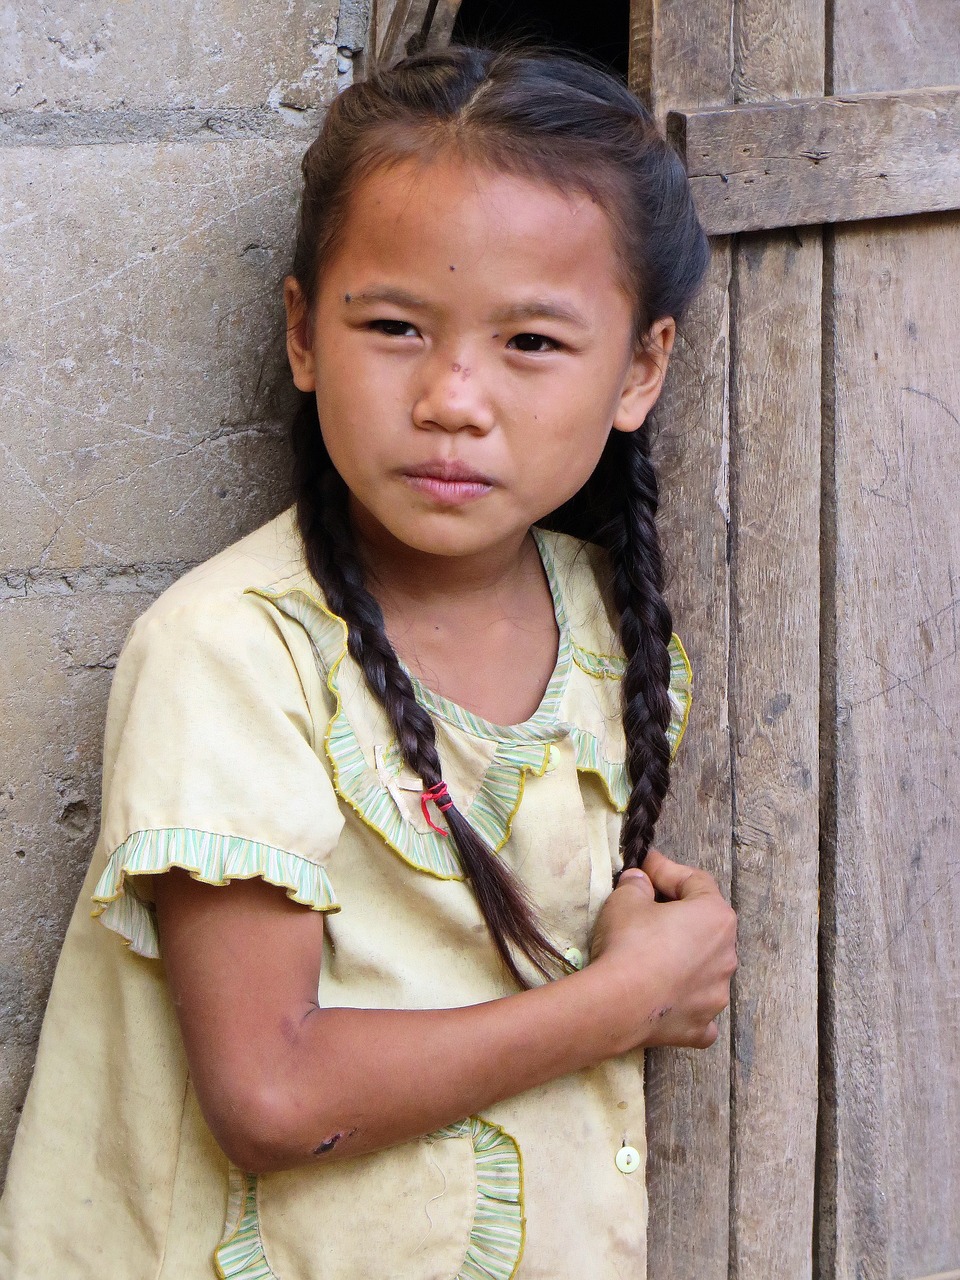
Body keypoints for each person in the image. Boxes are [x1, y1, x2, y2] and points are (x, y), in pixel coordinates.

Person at [0, 44, 737, 1279]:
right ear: (302, 333)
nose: (453, 396)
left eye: (533, 344)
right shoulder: (236, 651)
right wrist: (624, 1000)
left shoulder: (615, 627)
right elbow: (271, 1091)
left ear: (642, 370)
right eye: (394, 325)